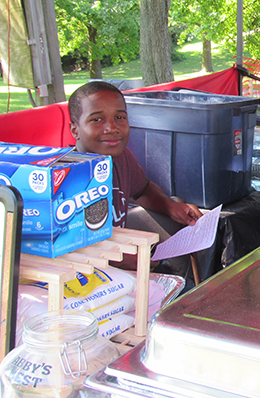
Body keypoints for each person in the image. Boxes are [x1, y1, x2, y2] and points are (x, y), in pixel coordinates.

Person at [68, 81, 202, 274]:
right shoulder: (66, 177)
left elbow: (143, 189)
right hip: (86, 276)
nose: (112, 127)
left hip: (121, 256)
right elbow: (64, 244)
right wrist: (114, 257)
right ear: (75, 129)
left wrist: (170, 206)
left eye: (119, 117)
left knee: (176, 203)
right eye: (97, 120)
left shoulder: (121, 157)